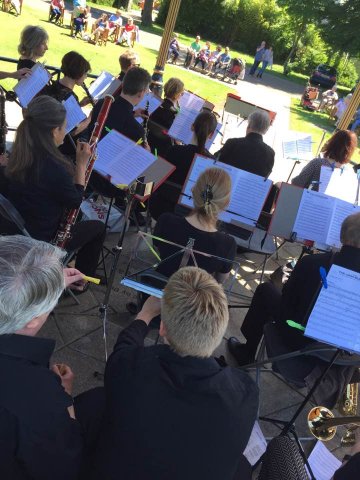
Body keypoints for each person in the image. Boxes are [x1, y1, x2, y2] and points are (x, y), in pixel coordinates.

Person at [83, 267, 258, 480]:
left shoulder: (130, 367)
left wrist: (145, 314)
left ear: (163, 328)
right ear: (218, 331)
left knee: (94, 402)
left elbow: (124, 348)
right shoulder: (245, 392)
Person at [0, 235, 85, 479]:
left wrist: (44, 286)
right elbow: (61, 466)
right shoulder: (39, 396)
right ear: (33, 320)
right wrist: (64, 397)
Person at [228, 212, 360, 366]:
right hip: (341, 356)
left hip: (298, 341)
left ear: (343, 237)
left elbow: (287, 300)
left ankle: (247, 353)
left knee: (266, 290)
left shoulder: (312, 262)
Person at [5, 96, 105, 281]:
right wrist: (81, 166)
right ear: (53, 131)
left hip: (18, 232)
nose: (65, 132)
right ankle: (80, 280)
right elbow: (75, 201)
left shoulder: (17, 152)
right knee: (98, 227)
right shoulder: (53, 167)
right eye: (64, 128)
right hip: (42, 240)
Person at [154, 168, 237, 281]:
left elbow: (158, 249)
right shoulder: (227, 245)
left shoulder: (166, 220)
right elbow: (220, 281)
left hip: (155, 288)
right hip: (194, 297)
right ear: (226, 204)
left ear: (193, 191)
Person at [149, 110, 217, 220]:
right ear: (211, 135)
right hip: (190, 215)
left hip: (160, 208)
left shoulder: (174, 150)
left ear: (192, 127)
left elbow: (154, 178)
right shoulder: (211, 162)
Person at [43, 51, 92, 155]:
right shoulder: (69, 96)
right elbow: (74, 130)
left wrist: (79, 105)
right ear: (78, 74)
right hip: (64, 148)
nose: (86, 77)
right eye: (85, 74)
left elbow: (63, 110)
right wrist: (91, 117)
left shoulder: (54, 86)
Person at [88, 66, 151, 143]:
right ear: (141, 93)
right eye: (146, 91)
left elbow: (114, 118)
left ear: (123, 84)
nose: (147, 94)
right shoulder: (136, 130)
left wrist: (133, 113)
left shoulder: (102, 103)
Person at [291, 130, 358, 190]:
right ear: (351, 150)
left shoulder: (317, 163)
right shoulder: (350, 173)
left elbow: (297, 184)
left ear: (332, 143)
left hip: (309, 202)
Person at [216, 109, 274, 178]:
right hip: (248, 188)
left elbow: (215, 161)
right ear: (266, 130)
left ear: (249, 125)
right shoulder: (270, 153)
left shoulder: (232, 143)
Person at [147, 77, 184, 156]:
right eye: (181, 93)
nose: (181, 96)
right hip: (164, 152)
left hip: (149, 143)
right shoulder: (175, 114)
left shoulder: (155, 104)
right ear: (176, 95)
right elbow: (177, 141)